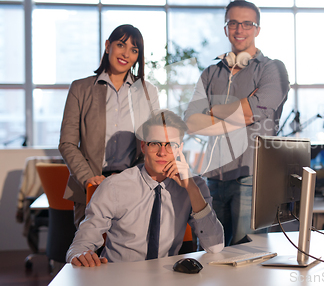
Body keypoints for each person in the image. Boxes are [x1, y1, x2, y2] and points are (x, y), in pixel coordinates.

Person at [184, 0, 290, 246]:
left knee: (247, 254)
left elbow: (258, 110)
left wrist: (212, 111)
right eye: (233, 23)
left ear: (257, 30)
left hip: (251, 176)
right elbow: (191, 122)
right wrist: (243, 108)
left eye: (247, 24)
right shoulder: (210, 73)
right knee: (210, 252)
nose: (239, 29)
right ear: (225, 28)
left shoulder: (272, 70)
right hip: (213, 177)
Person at [66, 109, 224, 266]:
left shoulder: (195, 186)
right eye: (155, 143)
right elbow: (82, 243)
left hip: (168, 276)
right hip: (121, 276)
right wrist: (80, 254)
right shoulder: (114, 186)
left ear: (179, 149)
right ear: (143, 146)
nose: (162, 152)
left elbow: (215, 247)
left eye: (170, 145)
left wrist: (191, 188)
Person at [59, 24, 159, 227]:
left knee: (130, 253)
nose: (126, 54)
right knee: (91, 254)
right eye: (121, 45)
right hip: (91, 186)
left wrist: (129, 177)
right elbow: (67, 143)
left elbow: (153, 143)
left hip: (132, 186)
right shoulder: (80, 88)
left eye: (134, 50)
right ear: (107, 46)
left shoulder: (147, 92)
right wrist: (89, 178)